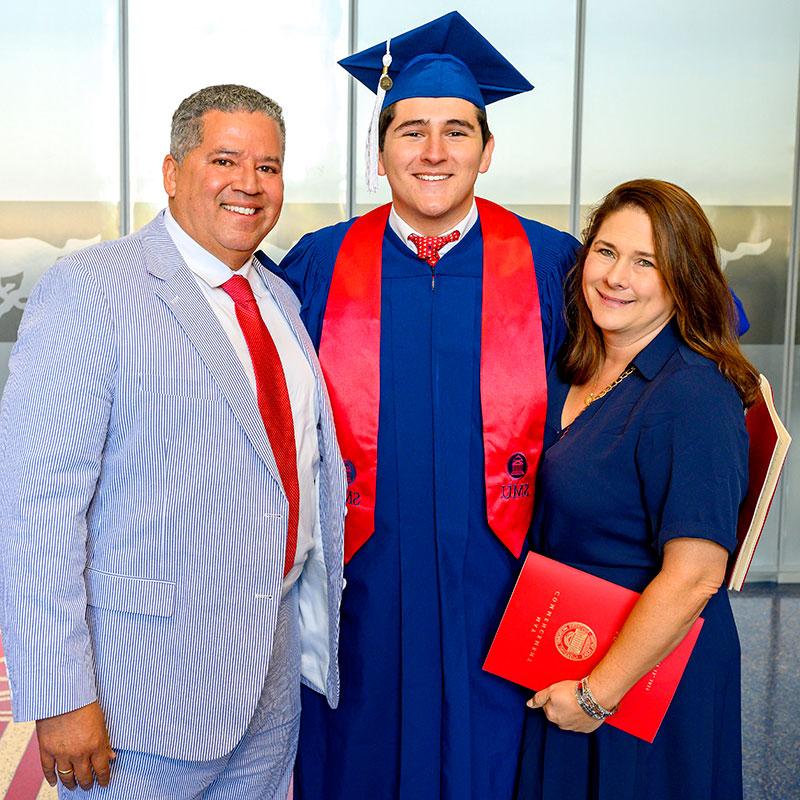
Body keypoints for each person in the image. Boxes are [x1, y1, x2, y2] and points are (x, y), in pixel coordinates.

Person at [258, 12, 580, 800]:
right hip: (361, 582)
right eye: (411, 131)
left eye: (457, 132)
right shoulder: (322, 263)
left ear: (487, 150)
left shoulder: (550, 263)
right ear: (380, 154)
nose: (434, 152)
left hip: (504, 581)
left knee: (498, 754)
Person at [0, 84, 345, 799]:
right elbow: (36, 509)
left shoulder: (279, 301)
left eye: (269, 167)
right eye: (225, 159)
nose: (249, 184)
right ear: (171, 170)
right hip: (142, 691)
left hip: (268, 678)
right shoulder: (92, 289)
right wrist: (60, 694)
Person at [516, 178, 759, 800]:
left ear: (683, 280)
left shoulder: (691, 394)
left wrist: (599, 696)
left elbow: (697, 574)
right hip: (571, 647)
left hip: (646, 677)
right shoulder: (576, 362)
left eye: (646, 262)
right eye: (606, 251)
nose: (616, 276)